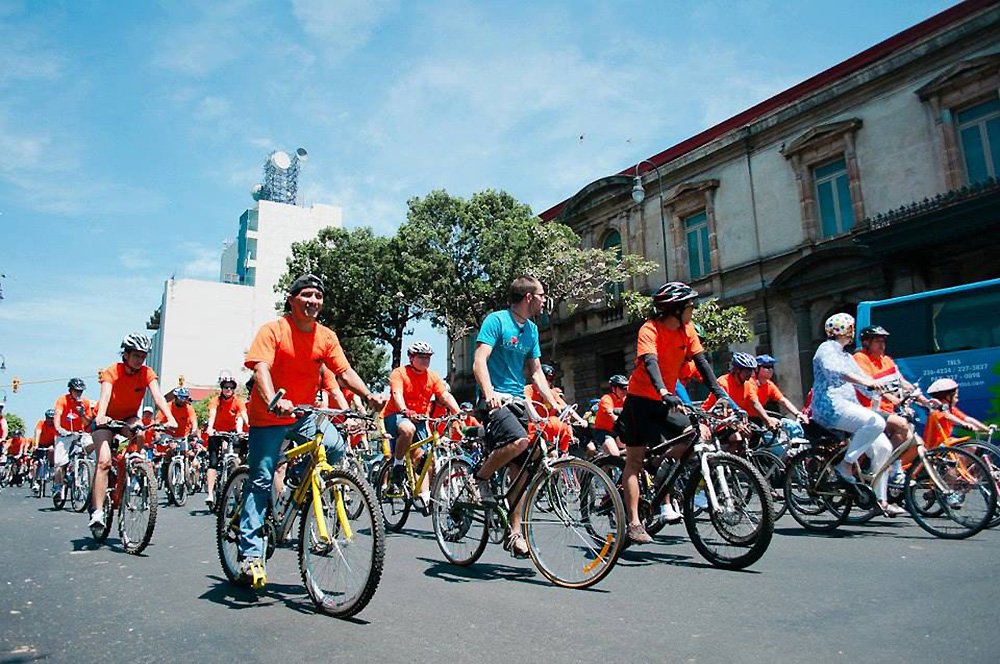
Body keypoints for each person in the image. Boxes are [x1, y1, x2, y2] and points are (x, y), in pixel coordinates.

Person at [238, 273, 386, 586]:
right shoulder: (274, 330)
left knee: (334, 447)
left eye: (318, 296)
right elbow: (261, 369)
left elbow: (343, 373)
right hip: (270, 413)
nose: (313, 301)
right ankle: (251, 555)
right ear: (292, 300)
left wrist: (368, 395)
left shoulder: (326, 337)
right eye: (306, 295)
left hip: (303, 414)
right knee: (262, 479)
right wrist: (273, 400)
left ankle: (295, 483)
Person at [616, 282, 731, 542]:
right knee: (633, 461)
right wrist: (663, 391)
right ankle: (634, 523)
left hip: (665, 400)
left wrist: (721, 393)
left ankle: (658, 464)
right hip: (641, 399)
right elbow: (650, 362)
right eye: (690, 306)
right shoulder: (650, 329)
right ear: (675, 309)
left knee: (694, 436)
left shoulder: (687, 330)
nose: (693, 310)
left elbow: (702, 364)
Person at [472, 275, 560, 558]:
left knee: (525, 467)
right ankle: (481, 478)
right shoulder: (496, 321)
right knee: (520, 441)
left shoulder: (532, 330)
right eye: (542, 295)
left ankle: (514, 534)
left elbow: (535, 372)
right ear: (529, 298)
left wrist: (553, 402)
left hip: (518, 401)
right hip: (495, 401)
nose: (545, 300)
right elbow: (479, 360)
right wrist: (489, 394)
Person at [810, 313, 904, 517]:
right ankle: (846, 465)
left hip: (847, 405)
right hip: (830, 406)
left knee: (884, 448)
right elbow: (835, 370)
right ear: (842, 329)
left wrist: (886, 392)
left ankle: (880, 500)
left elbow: (863, 381)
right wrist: (866, 382)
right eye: (851, 327)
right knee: (876, 421)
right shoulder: (826, 349)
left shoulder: (846, 355)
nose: (853, 331)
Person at [90, 333, 176, 533]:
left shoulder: (147, 373)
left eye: (143, 356)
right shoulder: (113, 371)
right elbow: (105, 396)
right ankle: (98, 512)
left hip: (127, 417)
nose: (140, 360)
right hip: (106, 420)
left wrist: (169, 417)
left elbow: (158, 397)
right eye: (136, 355)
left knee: (139, 431)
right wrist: (101, 415)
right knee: (104, 462)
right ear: (126, 354)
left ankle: (135, 464)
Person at [383, 341, 460, 503]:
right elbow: (397, 394)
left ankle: (425, 497)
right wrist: (405, 410)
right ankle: (397, 467)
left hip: (419, 419)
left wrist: (458, 412)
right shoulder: (400, 373)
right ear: (411, 358)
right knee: (408, 429)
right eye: (421, 357)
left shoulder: (432, 377)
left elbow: (445, 396)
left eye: (428, 358)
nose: (425, 361)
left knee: (426, 460)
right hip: (397, 415)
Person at [204, 372, 248, 510]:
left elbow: (242, 417)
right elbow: (212, 415)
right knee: (213, 462)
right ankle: (210, 493)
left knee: (234, 455)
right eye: (225, 387)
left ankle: (235, 489)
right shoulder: (215, 401)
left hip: (231, 432)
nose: (228, 389)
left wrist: (247, 429)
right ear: (222, 388)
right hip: (216, 431)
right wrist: (210, 428)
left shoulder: (238, 401)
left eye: (231, 387)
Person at [703, 353, 779, 429]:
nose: (751, 373)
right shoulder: (723, 382)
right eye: (747, 370)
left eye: (752, 370)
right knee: (736, 437)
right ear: (737, 370)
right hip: (712, 419)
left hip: (731, 419)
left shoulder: (748, 384)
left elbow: (755, 403)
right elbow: (726, 407)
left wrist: (767, 419)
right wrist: (738, 424)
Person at [52, 378, 93, 496]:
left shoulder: (85, 403)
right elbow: (57, 415)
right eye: (76, 391)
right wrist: (59, 429)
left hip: (80, 433)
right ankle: (58, 487)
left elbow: (87, 423)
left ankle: (83, 472)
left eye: (81, 391)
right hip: (64, 434)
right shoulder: (62, 400)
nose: (79, 393)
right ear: (70, 390)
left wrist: (82, 414)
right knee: (60, 462)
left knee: (91, 445)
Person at [922, 378, 989, 447]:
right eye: (956, 397)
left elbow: (968, 419)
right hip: (934, 447)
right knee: (969, 448)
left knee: (973, 448)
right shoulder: (936, 410)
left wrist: (986, 429)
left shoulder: (951, 409)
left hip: (946, 443)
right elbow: (947, 416)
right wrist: (963, 424)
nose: (957, 400)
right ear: (948, 397)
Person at [587, 375, 628, 458]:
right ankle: (603, 458)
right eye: (622, 388)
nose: (625, 391)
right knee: (615, 455)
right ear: (613, 389)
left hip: (617, 431)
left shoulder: (625, 400)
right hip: (603, 432)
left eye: (626, 388)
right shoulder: (606, 399)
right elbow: (611, 413)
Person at [32, 409, 58, 493]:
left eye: (52, 418)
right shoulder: (41, 423)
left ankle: (51, 467)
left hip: (50, 444)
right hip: (40, 444)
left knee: (51, 451)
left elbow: (56, 437)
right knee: (36, 463)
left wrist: (55, 446)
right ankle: (35, 482)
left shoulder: (55, 425)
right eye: (48, 418)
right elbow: (37, 433)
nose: (50, 420)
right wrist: (36, 445)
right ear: (46, 418)